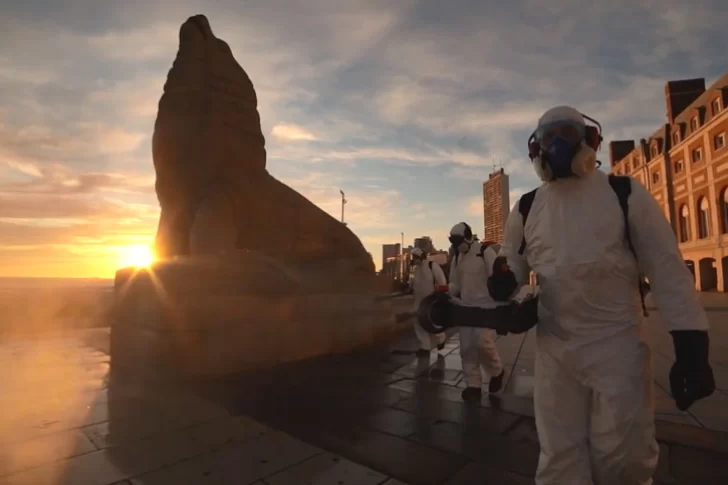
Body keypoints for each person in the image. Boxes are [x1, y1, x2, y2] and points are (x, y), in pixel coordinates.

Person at [495, 105, 715, 484]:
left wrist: (691, 344)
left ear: (590, 140)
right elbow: (512, 264)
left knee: (625, 456)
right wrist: (501, 281)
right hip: (555, 353)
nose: (558, 145)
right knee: (559, 458)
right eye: (550, 138)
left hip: (618, 348)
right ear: (537, 149)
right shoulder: (528, 206)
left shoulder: (624, 193)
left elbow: (667, 270)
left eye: (566, 134)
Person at [448, 222, 506, 400]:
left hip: (484, 308)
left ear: (467, 236)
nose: (456, 245)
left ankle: (497, 371)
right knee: (466, 348)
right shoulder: (458, 257)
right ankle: (473, 384)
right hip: (465, 308)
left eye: (458, 241)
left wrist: (501, 309)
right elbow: (454, 282)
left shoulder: (484, 252)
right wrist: (446, 291)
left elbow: (496, 280)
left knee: (483, 343)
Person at [410, 248, 448, 357]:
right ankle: (425, 347)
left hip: (431, 300)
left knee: (433, 322)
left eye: (416, 257)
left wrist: (440, 294)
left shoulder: (432, 266)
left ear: (421, 256)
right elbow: (412, 282)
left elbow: (441, 281)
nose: (414, 259)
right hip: (418, 300)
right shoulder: (414, 269)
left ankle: (441, 339)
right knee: (418, 323)